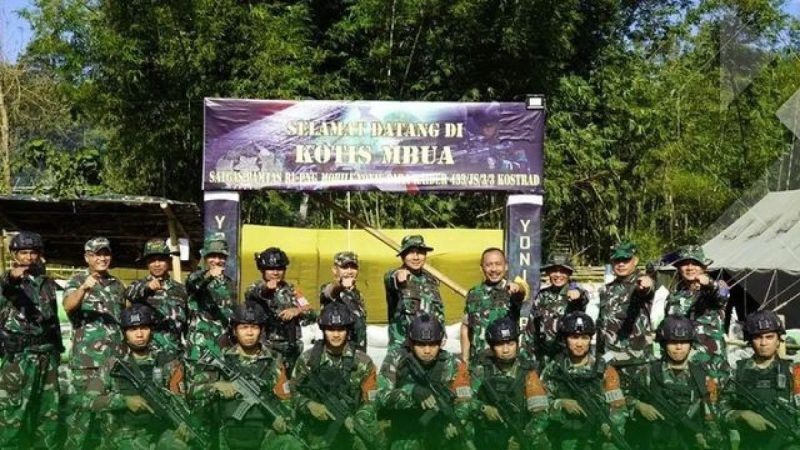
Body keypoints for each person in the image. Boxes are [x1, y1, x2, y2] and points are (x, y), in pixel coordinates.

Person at [191, 302, 305, 450]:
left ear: (261, 330)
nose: (250, 333)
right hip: (224, 436)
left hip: (264, 438)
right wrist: (216, 386)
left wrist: (284, 420)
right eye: (244, 327)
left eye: (254, 327)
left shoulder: (273, 360)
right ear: (234, 330)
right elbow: (194, 390)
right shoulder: (222, 359)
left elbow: (285, 399)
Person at [81, 304, 191, 449]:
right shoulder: (113, 364)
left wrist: (185, 422)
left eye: (144, 328)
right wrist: (123, 401)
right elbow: (87, 400)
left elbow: (180, 398)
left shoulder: (168, 362)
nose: (139, 334)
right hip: (124, 434)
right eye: (133, 329)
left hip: (162, 430)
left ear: (151, 330)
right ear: (124, 333)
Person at [292, 302, 386, 449]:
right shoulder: (307, 360)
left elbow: (371, 399)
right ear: (323, 330)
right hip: (315, 428)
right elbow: (291, 393)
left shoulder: (363, 361)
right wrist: (308, 405)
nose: (336, 335)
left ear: (348, 330)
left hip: (351, 425)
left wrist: (358, 419)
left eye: (341, 329)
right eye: (330, 329)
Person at [0, 231, 63, 448]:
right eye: (23, 252)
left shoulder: (47, 283)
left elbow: (53, 319)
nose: (28, 257)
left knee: (48, 413)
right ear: (14, 255)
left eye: (33, 252)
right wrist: (12, 277)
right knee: (13, 415)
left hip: (47, 356)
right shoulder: (9, 280)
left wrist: (57, 350)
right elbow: (7, 284)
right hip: (19, 359)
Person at [62, 237, 126, 449]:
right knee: (82, 416)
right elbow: (68, 306)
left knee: (111, 418)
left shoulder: (117, 284)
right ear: (87, 257)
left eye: (106, 254)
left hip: (114, 362)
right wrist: (84, 289)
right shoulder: (77, 280)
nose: (102, 258)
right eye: (97, 254)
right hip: (87, 362)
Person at [377, 314, 474, 449]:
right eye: (421, 344)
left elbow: (465, 398)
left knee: (468, 430)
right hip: (407, 429)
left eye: (433, 344)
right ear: (411, 343)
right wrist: (411, 392)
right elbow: (381, 396)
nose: (427, 351)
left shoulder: (453, 363)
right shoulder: (396, 358)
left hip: (441, 428)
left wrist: (456, 421)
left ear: (440, 342)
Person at [627, 315, 721, 449]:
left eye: (684, 342)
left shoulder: (703, 376)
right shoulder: (648, 372)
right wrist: (639, 405)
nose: (679, 347)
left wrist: (706, 437)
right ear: (663, 344)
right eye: (673, 342)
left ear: (691, 344)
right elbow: (624, 399)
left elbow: (711, 414)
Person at [540, 312, 628, 449]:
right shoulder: (554, 369)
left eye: (584, 338)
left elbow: (618, 407)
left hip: (598, 437)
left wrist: (611, 426)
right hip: (564, 437)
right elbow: (539, 408)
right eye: (574, 337)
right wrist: (559, 404)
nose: (579, 344)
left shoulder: (605, 370)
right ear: (565, 339)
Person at [720, 310, 800, 450]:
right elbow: (717, 410)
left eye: (769, 337)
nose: (763, 343)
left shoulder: (794, 371)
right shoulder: (735, 370)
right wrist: (741, 415)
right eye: (758, 337)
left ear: (778, 339)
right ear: (750, 340)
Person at [470, 316, 549, 450]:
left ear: (517, 344)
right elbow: (463, 401)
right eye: (500, 345)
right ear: (492, 346)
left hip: (520, 433)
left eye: (510, 344)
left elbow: (541, 414)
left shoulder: (529, 373)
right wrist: (483, 408)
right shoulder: (481, 370)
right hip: (488, 435)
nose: (506, 350)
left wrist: (522, 438)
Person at [245, 247, 316, 375]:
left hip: (291, 346)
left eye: (280, 268)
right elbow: (255, 294)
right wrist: (267, 289)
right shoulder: (255, 287)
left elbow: (311, 312)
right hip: (267, 347)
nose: (276, 272)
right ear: (262, 270)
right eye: (271, 269)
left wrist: (297, 311)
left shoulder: (292, 290)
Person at [665, 245, 730, 379]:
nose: (690, 268)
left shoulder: (713, 289)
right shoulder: (674, 296)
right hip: (682, 364)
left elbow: (723, 295)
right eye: (685, 264)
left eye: (695, 263)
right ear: (679, 268)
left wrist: (709, 283)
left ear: (703, 267)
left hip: (711, 363)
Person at [461, 247, 527, 367]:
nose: (494, 269)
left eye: (498, 264)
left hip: (505, 363)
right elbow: (466, 326)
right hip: (478, 363)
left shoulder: (511, 289)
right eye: (489, 265)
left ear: (506, 266)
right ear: (481, 268)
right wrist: (465, 358)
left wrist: (517, 287)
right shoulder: (474, 293)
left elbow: (521, 292)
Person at [521, 252, 588, 363]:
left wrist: (577, 293)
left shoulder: (575, 292)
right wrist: (526, 356)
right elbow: (531, 328)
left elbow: (583, 297)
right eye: (554, 270)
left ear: (569, 273)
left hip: (568, 357)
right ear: (548, 272)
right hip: (544, 356)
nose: (558, 275)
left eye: (562, 271)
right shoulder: (542, 295)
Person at [125, 238, 188, 352]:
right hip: (148, 352)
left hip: (175, 350)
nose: (157, 264)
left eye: (161, 260)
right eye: (152, 260)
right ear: (147, 263)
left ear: (168, 261)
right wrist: (147, 287)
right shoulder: (138, 286)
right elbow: (129, 293)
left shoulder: (180, 289)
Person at [384, 235, 444, 348]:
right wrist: (398, 275)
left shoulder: (431, 280)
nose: (416, 257)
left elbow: (438, 311)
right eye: (411, 252)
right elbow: (391, 278)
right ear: (403, 256)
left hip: (429, 345)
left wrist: (442, 333)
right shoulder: (396, 275)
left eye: (420, 252)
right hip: (403, 347)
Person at [185, 233, 236, 363]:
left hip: (224, 346)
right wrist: (209, 276)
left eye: (221, 257)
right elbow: (194, 285)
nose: (217, 261)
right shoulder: (195, 277)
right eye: (212, 256)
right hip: (200, 347)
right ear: (205, 258)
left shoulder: (230, 283)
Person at [319, 251, 368, 352]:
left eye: (353, 267)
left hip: (358, 351)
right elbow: (330, 291)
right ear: (334, 270)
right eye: (345, 267)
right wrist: (341, 285)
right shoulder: (329, 288)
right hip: (339, 352)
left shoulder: (357, 294)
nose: (350, 271)